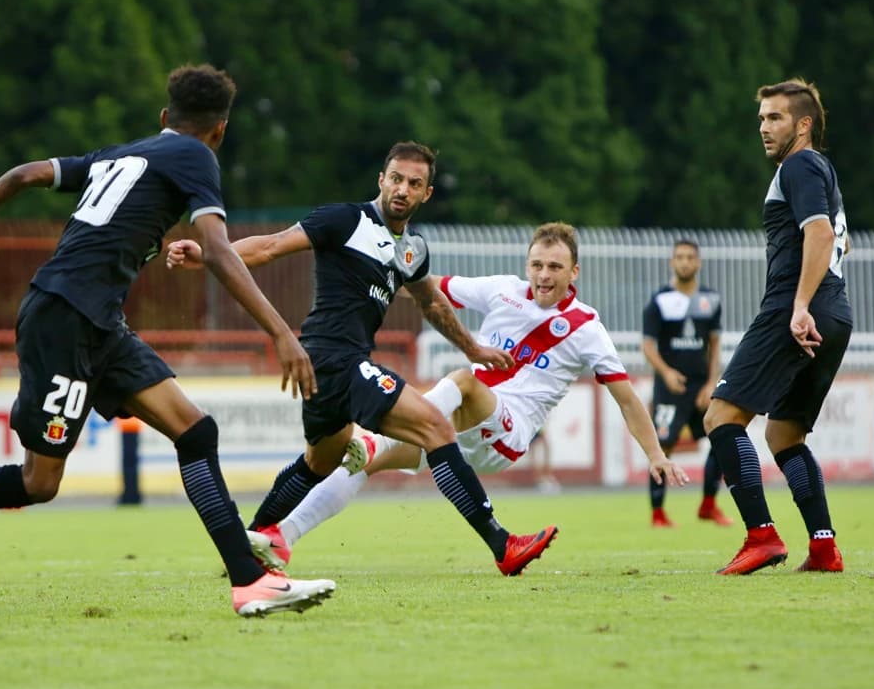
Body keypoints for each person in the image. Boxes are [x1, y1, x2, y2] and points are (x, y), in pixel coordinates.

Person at [0, 64, 335, 617]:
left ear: (163, 118)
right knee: (39, 483)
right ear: (220, 130)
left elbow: (24, 175)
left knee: (196, 431)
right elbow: (223, 251)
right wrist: (282, 332)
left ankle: (249, 582)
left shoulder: (119, 155)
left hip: (96, 320)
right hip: (65, 319)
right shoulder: (198, 155)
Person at [169, 144, 560, 578]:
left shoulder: (412, 249)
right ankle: (501, 544)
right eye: (396, 178)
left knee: (319, 463)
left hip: (328, 370)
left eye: (414, 184)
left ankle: (250, 546)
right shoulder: (345, 219)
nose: (402, 189)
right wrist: (208, 255)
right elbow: (270, 247)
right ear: (381, 179)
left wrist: (473, 349)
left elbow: (432, 304)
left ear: (426, 194)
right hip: (333, 357)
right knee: (435, 426)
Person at [260, 223, 688, 556]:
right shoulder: (502, 290)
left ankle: (376, 439)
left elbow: (627, 398)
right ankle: (281, 540)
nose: (543, 275)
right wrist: (373, 281)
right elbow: (425, 291)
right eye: (537, 264)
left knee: (464, 379)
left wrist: (654, 454)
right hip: (456, 428)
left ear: (574, 272)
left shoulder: (587, 327)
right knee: (357, 465)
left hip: (507, 433)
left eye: (555, 267)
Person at [705, 79, 851, 575]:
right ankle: (824, 547)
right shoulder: (821, 171)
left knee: (720, 417)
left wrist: (799, 305)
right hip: (836, 314)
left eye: (776, 117)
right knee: (785, 436)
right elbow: (837, 241)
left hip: (798, 311)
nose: (764, 127)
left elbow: (821, 231)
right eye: (762, 118)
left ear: (803, 124)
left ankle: (762, 537)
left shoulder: (800, 163)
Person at [641, 240, 732, 527]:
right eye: (679, 257)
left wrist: (711, 382)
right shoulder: (659, 301)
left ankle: (708, 504)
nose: (684, 262)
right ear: (672, 262)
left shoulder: (711, 300)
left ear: (698, 262)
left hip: (701, 387)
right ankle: (657, 512)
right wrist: (666, 373)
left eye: (689, 257)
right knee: (663, 445)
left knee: (720, 437)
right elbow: (648, 347)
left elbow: (715, 345)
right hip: (670, 386)